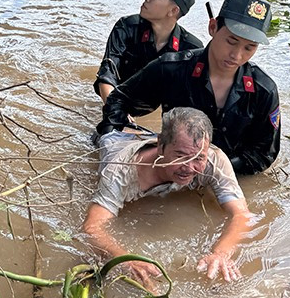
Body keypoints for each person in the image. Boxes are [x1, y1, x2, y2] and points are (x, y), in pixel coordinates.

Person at [97, 0, 280, 175]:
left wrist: (214, 169)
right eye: (231, 41)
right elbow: (118, 101)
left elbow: (264, 153)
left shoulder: (263, 90)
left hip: (225, 173)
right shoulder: (171, 69)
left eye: (249, 47)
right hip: (172, 167)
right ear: (213, 27)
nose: (237, 55)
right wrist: (113, 146)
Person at [83, 107, 255, 288]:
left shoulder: (214, 159)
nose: (189, 167)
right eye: (180, 156)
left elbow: (242, 215)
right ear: (161, 147)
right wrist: (125, 260)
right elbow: (92, 227)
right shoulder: (120, 173)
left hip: (148, 137)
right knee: (109, 131)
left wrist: (221, 253)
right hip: (114, 143)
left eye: (198, 158)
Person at [94, 0, 204, 104]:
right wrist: (115, 110)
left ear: (173, 10)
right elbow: (107, 74)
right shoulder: (127, 28)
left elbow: (191, 100)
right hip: (115, 99)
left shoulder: (191, 50)